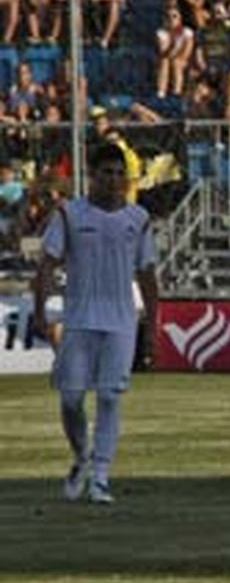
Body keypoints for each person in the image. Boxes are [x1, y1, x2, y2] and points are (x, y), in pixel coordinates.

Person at [30, 142, 159, 505]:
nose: (114, 180)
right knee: (71, 399)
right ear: (93, 175)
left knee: (109, 397)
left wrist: (153, 325)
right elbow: (47, 265)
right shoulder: (70, 214)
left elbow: (148, 274)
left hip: (121, 322)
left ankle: (101, 476)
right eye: (107, 173)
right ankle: (81, 456)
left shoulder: (139, 218)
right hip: (80, 320)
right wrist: (40, 311)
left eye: (120, 173)